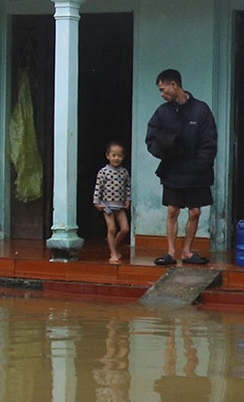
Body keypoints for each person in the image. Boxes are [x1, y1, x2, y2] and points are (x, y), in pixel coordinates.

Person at [144, 68, 217, 266]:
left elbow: (209, 142)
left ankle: (186, 251)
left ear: (174, 85)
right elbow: (151, 138)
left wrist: (200, 165)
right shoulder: (162, 112)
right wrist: (166, 150)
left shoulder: (201, 110)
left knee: (195, 212)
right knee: (172, 211)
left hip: (197, 172)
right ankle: (170, 252)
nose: (161, 94)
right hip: (173, 169)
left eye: (162, 89)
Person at [92, 141, 133, 264]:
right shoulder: (103, 172)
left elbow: (128, 187)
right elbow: (98, 187)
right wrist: (96, 201)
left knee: (125, 229)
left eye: (119, 155)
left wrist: (128, 199)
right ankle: (113, 253)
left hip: (119, 206)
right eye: (114, 155)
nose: (116, 158)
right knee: (112, 229)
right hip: (107, 206)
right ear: (108, 156)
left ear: (123, 157)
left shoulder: (124, 172)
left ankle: (113, 245)